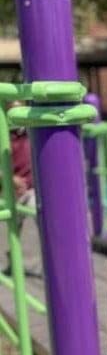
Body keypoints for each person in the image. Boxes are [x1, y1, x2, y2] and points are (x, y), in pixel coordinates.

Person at [1, 101, 36, 274]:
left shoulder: (31, 132)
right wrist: (10, 177)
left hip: (30, 189)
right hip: (12, 191)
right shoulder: (4, 136)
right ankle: (12, 260)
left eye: (20, 111)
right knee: (15, 230)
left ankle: (52, 260)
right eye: (13, 112)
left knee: (40, 217)